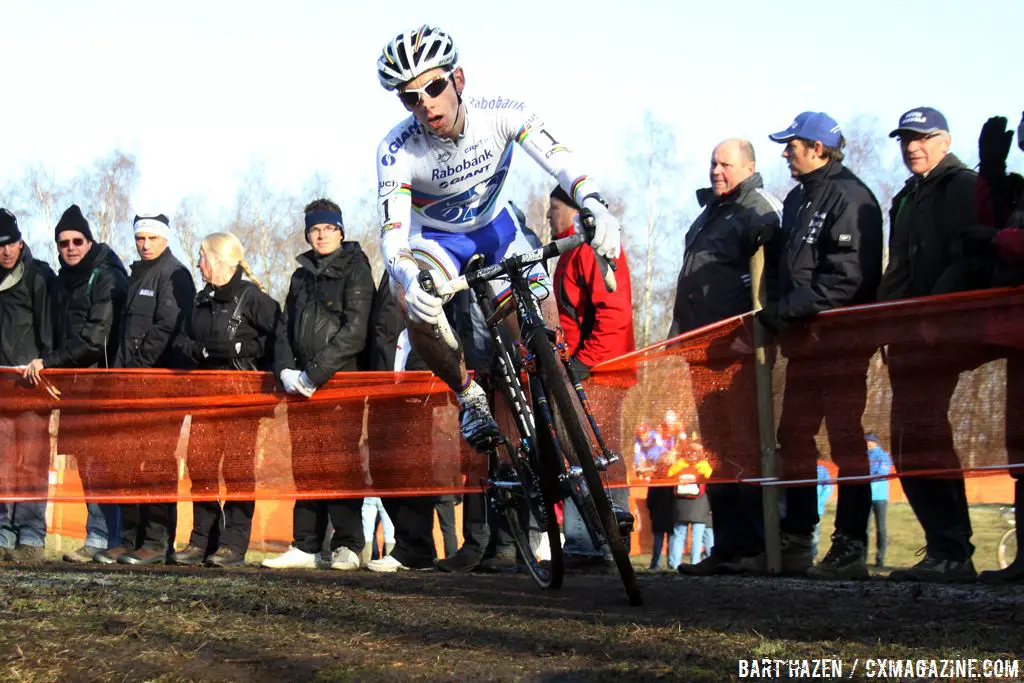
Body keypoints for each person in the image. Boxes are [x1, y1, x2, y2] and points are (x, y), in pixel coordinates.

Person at [373, 26, 622, 502]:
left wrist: (593, 201)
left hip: (497, 231)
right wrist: (408, 276)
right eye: (410, 97)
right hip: (438, 243)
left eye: (434, 86)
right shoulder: (397, 149)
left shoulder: (502, 115)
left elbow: (561, 161)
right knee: (410, 296)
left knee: (547, 351)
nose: (425, 102)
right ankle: (468, 395)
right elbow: (393, 236)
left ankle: (591, 487)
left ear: (458, 79)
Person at [759, 112, 883, 579]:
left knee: (845, 437)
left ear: (817, 147)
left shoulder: (850, 197)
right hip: (805, 341)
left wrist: (786, 309)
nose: (785, 152)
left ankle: (851, 542)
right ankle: (798, 534)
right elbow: (787, 267)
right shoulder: (797, 199)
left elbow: (847, 279)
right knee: (793, 435)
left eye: (791, 144)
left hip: (842, 339)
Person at [669, 139, 782, 576]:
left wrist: (756, 333)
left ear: (749, 167)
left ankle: (756, 543)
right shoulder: (710, 213)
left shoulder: (762, 208)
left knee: (746, 446)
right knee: (716, 450)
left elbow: (773, 269)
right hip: (701, 351)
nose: (716, 171)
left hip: (739, 352)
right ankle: (728, 545)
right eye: (712, 163)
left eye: (725, 164)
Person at [877, 107, 979, 583]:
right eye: (905, 139)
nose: (911, 146)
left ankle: (953, 549)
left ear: (946, 141)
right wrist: (882, 317)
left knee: (925, 434)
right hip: (907, 333)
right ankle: (943, 547)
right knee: (908, 437)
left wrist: (936, 310)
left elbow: (967, 252)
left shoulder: (963, 186)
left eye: (922, 137)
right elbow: (899, 267)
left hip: (945, 329)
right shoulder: (906, 197)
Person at [261, 199, 374, 572]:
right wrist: (287, 371)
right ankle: (306, 544)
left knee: (341, 463)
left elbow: (355, 332)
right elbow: (284, 329)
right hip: (300, 387)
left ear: (341, 231)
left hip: (341, 382)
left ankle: (348, 545)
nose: (322, 234)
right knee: (305, 462)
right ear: (307, 234)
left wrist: (315, 374)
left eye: (328, 228)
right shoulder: (299, 276)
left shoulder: (356, 268)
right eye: (315, 229)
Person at [22, 205, 128, 563]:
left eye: (77, 241)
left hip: (102, 386)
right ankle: (97, 537)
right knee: (86, 465)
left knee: (104, 466)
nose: (70, 248)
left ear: (90, 240)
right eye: (63, 243)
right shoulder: (60, 281)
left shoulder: (107, 277)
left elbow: (94, 341)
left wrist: (48, 364)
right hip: (75, 388)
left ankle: (106, 539)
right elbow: (54, 332)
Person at [92, 213, 195, 566]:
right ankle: (129, 538)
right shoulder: (138, 273)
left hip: (157, 387)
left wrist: (138, 368)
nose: (145, 244)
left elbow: (168, 327)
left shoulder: (175, 274)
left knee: (156, 464)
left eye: (152, 238)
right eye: (140, 239)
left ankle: (156, 541)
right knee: (126, 463)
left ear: (165, 239)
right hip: (128, 385)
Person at [172, 232, 280, 567]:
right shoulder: (200, 300)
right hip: (204, 398)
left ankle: (233, 544)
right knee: (200, 467)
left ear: (220, 260)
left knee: (237, 471)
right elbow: (180, 342)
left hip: (241, 401)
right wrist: (200, 350)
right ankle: (201, 540)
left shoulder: (255, 299)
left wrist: (241, 349)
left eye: (202, 257)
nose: (198, 263)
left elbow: (279, 340)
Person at [546, 185, 635, 568]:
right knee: (578, 455)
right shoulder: (569, 252)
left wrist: (582, 364)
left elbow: (614, 314)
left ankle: (613, 540)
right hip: (583, 371)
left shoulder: (590, 248)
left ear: (571, 210)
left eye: (553, 209)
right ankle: (585, 541)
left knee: (602, 454)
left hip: (601, 372)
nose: (549, 216)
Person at [967, 112, 1024, 584]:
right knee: (1022, 446)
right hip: (1018, 333)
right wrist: (989, 174)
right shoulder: (1018, 190)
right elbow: (989, 220)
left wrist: (1001, 240)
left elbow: (998, 234)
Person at [0, 209, 56, 562]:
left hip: (32, 385)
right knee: (2, 462)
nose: (6, 251)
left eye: (11, 244)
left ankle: (32, 534)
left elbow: (48, 326)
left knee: (32, 461)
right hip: (1, 386)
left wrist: (47, 364)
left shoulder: (39, 275)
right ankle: (3, 532)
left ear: (21, 242)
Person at [866, 433, 891, 568]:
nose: (868, 443)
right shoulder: (863, 457)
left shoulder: (883, 456)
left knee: (880, 528)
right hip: (866, 496)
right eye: (867, 441)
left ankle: (880, 558)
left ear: (876, 442)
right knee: (864, 528)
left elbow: (881, 474)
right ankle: (861, 557)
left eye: (871, 441)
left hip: (879, 497)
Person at [811, 461, 833, 559]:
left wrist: (819, 500)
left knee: (815, 534)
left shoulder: (822, 470)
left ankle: (813, 556)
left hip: (817, 508)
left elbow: (828, 487)